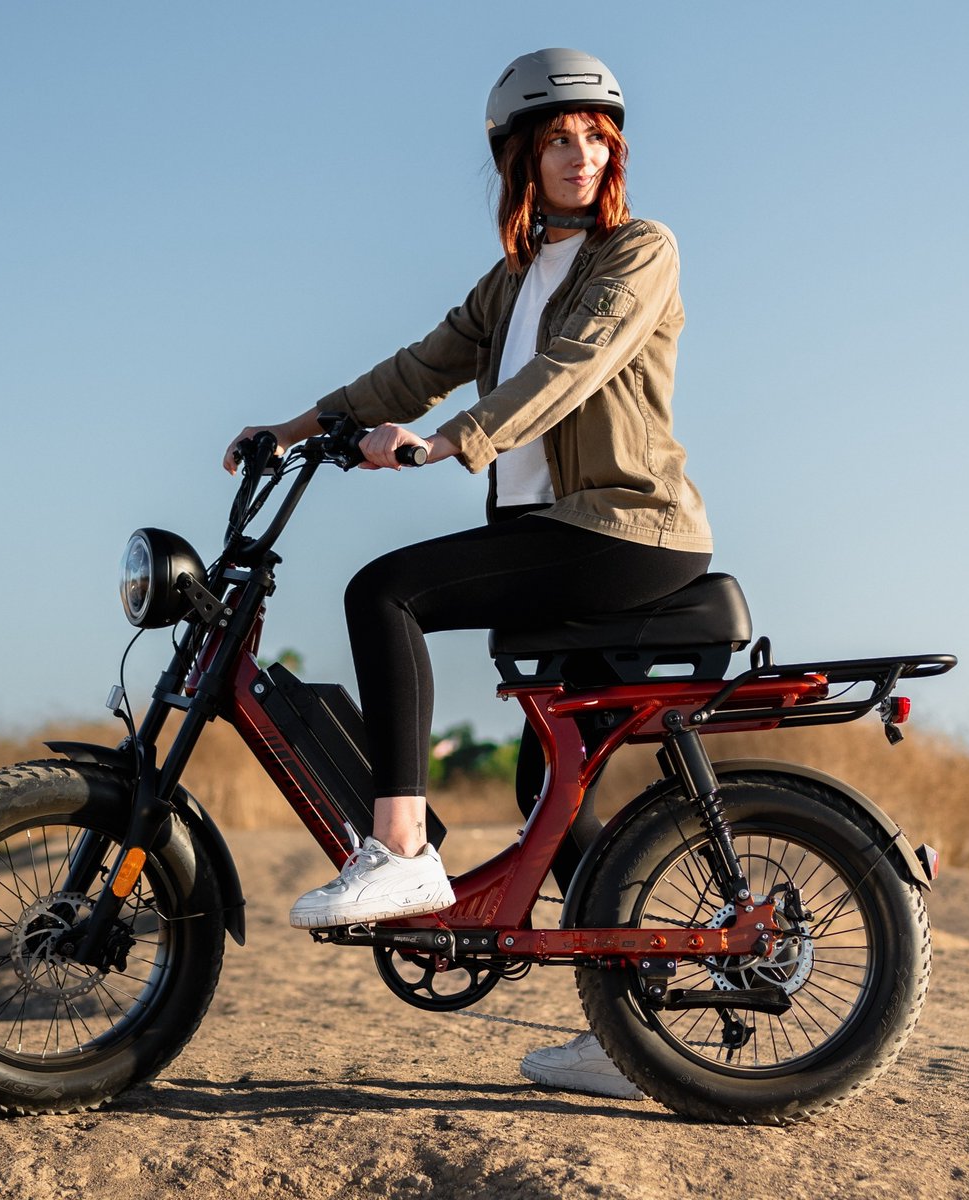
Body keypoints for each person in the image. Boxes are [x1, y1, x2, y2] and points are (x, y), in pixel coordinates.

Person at [223, 48, 712, 1100]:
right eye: (555, 140)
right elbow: (416, 364)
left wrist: (451, 442)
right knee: (553, 777)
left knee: (385, 591)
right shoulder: (513, 276)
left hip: (626, 530)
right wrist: (298, 427)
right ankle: (638, 1033)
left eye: (594, 138)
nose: (578, 155)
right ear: (518, 161)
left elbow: (573, 363)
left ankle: (399, 848)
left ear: (614, 150)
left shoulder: (640, 251)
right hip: (558, 533)